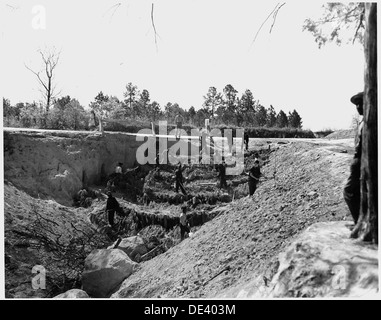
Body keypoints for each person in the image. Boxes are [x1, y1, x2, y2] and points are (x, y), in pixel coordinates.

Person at [343, 92, 364, 225]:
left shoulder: (371, 121)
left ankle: (359, 222)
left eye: (360, 103)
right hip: (358, 161)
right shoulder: (362, 122)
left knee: (349, 191)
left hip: (363, 162)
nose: (358, 107)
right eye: (356, 104)